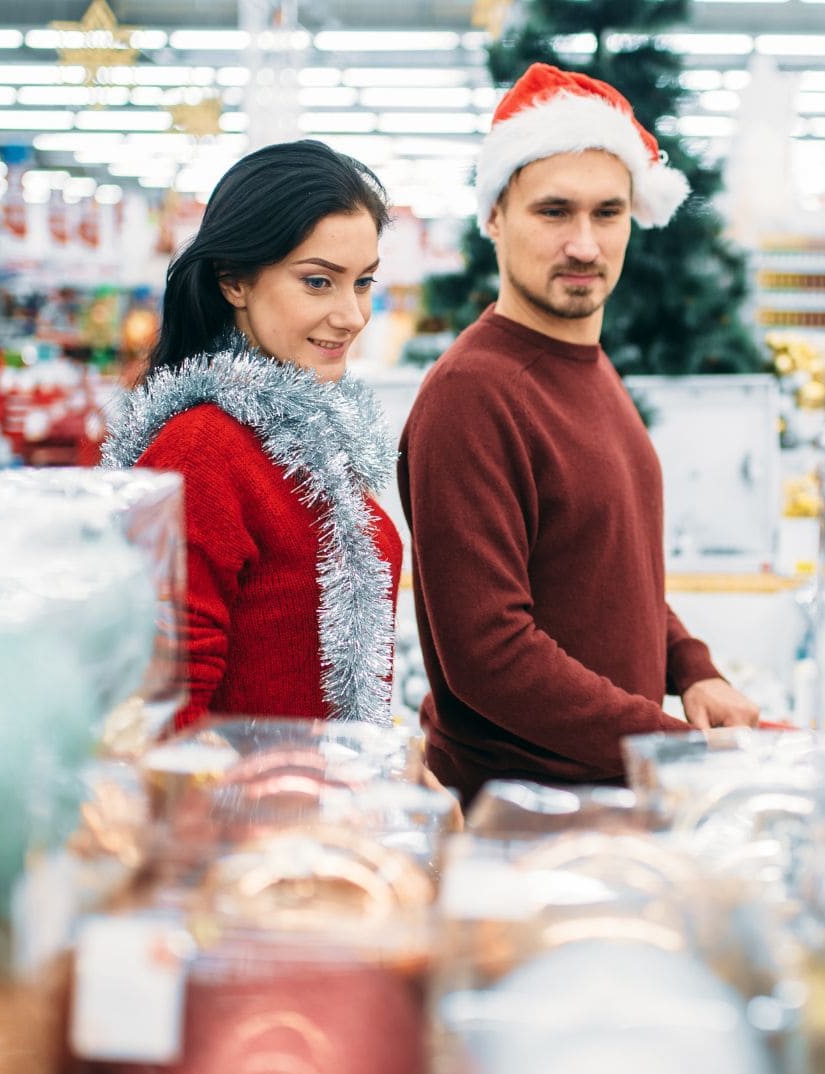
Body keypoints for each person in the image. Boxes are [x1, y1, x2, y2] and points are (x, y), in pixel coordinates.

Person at [398, 63, 760, 807]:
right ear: (495, 216)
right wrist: (676, 750)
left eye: (608, 213)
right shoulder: (474, 395)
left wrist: (690, 667)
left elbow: (601, 570)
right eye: (554, 211)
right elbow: (490, 654)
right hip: (520, 819)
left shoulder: (587, 365)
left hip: (598, 801)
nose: (586, 245)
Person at [102, 141, 401, 731]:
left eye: (363, 282)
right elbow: (158, 714)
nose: (352, 314)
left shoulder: (308, 440)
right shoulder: (202, 452)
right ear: (234, 282)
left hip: (324, 814)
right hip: (247, 819)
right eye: (319, 282)